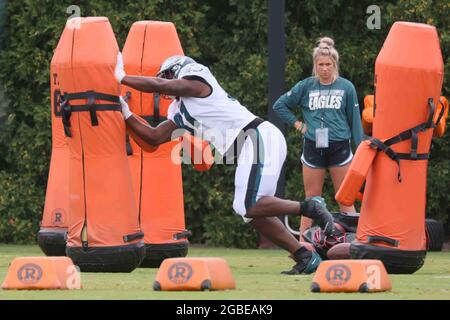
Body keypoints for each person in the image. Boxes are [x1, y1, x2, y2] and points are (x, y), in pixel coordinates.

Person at [114, 53, 336, 274]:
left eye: (169, 75)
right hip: (251, 144)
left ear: (180, 69)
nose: (167, 84)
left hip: (257, 136)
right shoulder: (180, 110)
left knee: (249, 205)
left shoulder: (198, 78)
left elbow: (161, 84)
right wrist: (125, 112)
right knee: (248, 211)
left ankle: (310, 207)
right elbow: (153, 139)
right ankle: (304, 256)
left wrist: (122, 77)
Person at [273, 37, 363, 241]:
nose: (324, 69)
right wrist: (298, 124)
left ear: (335, 65)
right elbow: (279, 105)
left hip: (340, 146)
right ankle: (302, 247)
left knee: (345, 197)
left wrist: (361, 150)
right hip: (313, 146)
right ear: (315, 66)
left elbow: (355, 121)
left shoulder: (346, 87)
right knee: (312, 199)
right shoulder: (305, 86)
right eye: (320, 64)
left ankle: (356, 243)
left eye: (328, 64)